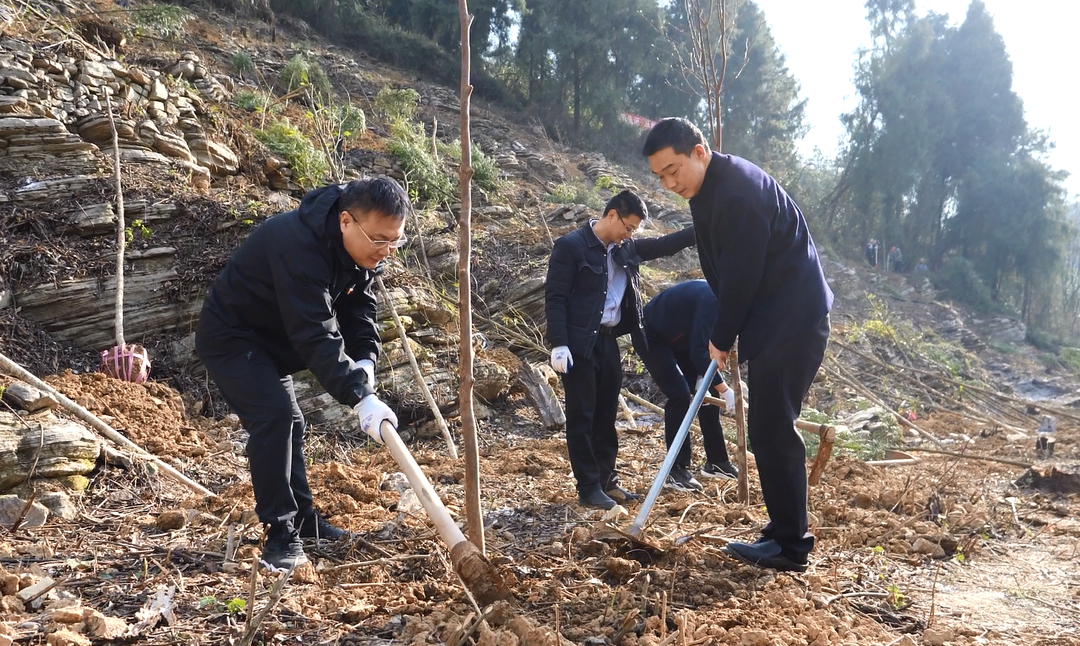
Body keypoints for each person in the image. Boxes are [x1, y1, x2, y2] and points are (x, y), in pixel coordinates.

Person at [643, 117, 833, 573]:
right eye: (661, 177)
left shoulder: (739, 196)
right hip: (776, 321)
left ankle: (790, 545)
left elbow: (741, 279)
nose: (670, 183)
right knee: (769, 427)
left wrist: (720, 337)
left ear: (699, 151)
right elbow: (728, 271)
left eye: (674, 170)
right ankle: (781, 528)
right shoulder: (709, 190)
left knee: (771, 427)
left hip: (793, 321)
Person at [195, 178, 409, 569]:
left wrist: (365, 358)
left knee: (292, 422)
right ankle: (280, 537)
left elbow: (359, 304)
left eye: (395, 241)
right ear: (346, 221)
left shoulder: (360, 252)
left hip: (273, 344)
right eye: (380, 240)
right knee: (274, 418)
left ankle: (305, 521)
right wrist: (360, 396)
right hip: (233, 337)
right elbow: (315, 332)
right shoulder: (296, 245)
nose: (387, 250)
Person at [545, 190, 696, 510]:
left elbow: (664, 246)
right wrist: (559, 343)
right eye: (628, 227)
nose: (630, 235)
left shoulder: (625, 248)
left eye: (634, 231)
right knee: (582, 415)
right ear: (611, 215)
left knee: (605, 415)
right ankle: (588, 486)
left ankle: (606, 480)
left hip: (608, 341)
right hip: (578, 344)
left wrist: (703, 227)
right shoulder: (571, 246)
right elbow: (555, 297)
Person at [633, 279, 740, 492]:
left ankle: (716, 462)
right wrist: (725, 390)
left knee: (705, 392)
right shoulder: (713, 299)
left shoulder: (728, 307)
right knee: (679, 395)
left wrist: (706, 377)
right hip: (651, 334)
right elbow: (700, 351)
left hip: (681, 337)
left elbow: (708, 346)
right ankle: (676, 469)